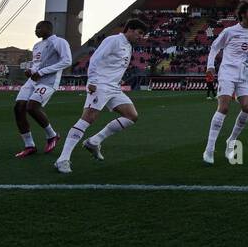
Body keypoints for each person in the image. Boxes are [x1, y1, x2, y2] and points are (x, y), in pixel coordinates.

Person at [54, 18, 147, 174]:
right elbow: (96, 58)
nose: (141, 37)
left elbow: (113, 65)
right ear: (130, 29)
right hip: (100, 86)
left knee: (131, 116)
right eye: (139, 33)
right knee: (87, 119)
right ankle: (62, 159)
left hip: (114, 88)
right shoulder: (114, 40)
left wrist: (118, 79)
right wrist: (92, 80)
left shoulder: (128, 46)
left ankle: (94, 141)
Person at [203, 0, 248, 165]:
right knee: (223, 108)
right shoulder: (229, 31)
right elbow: (215, 47)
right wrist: (210, 66)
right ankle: (209, 149)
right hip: (227, 73)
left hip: (245, 76)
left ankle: (231, 140)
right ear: (243, 14)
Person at [13, 20, 73, 158]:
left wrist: (42, 72)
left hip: (48, 81)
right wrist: (31, 70)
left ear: (47, 28)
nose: (36, 30)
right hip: (33, 80)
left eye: (38, 28)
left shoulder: (59, 42)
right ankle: (29, 146)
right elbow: (37, 64)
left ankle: (52, 136)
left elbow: (67, 61)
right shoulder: (37, 46)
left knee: (32, 107)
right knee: (19, 108)